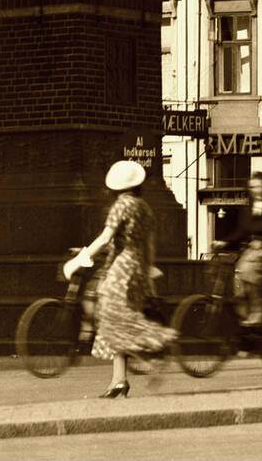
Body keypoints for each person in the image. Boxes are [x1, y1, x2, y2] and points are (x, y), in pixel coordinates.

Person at [63, 160, 177, 398]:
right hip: (137, 266)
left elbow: (105, 238)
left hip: (121, 267)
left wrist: (78, 259)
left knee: (113, 316)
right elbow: (150, 244)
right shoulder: (145, 207)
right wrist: (148, 269)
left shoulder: (120, 205)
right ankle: (119, 381)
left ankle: (156, 345)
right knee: (116, 316)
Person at [213, 171, 262, 326]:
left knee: (248, 269)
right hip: (250, 252)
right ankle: (243, 315)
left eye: (258, 186)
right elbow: (241, 231)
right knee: (236, 275)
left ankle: (257, 311)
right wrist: (223, 241)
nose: (255, 190)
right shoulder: (247, 207)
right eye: (252, 187)